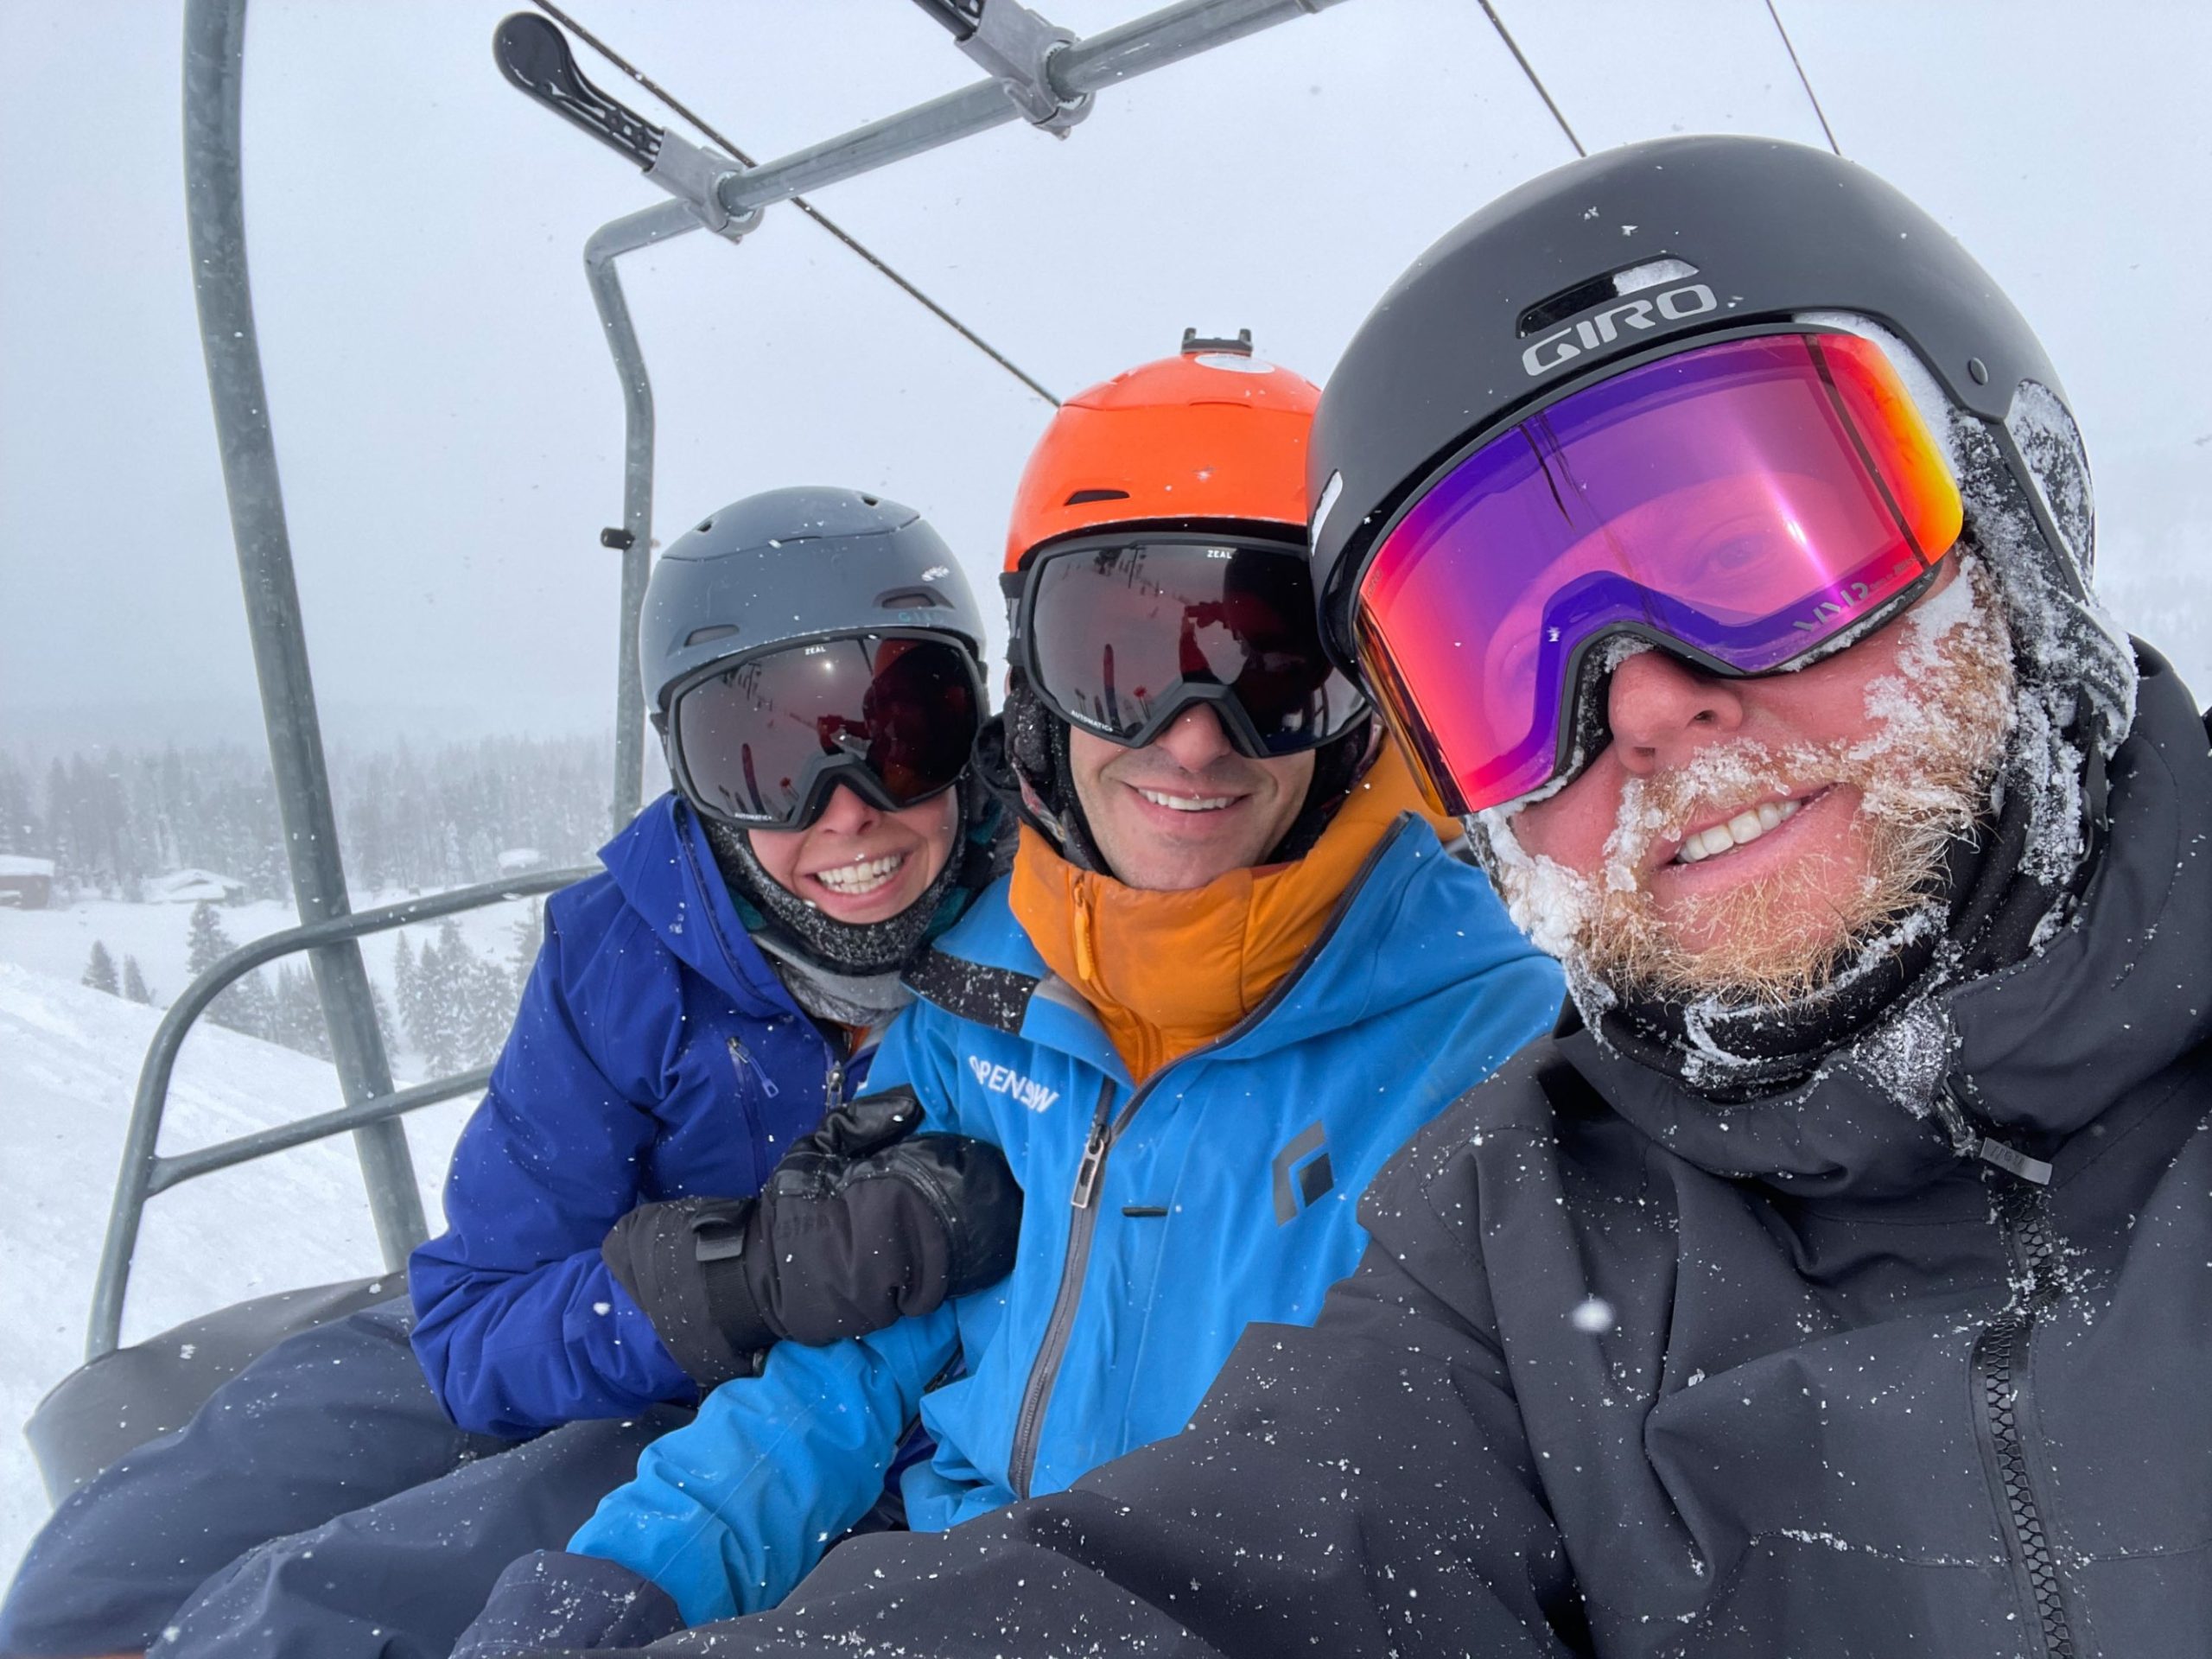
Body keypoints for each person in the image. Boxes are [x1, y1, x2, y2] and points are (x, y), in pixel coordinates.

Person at [512, 137, 2212, 1659]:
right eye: (1517, 660)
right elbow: (1238, 1564)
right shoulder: (1524, 1205)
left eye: (1753, 559)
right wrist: (638, 1559)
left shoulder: (1489, 1079)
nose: (1642, 703)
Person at [450, 336, 1564, 1654]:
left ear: (1364, 693)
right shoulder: (983, 992)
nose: (1193, 737)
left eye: (1274, 674)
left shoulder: (1489, 1051)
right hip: (953, 1579)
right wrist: (622, 1582)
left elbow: (1438, 1520)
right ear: (1038, 686)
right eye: (1121, 661)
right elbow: (833, 1391)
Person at [0, 487, 1021, 1659]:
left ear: (973, 731)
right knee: (101, 1581)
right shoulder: (628, 954)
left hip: (781, 1419)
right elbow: (477, 1321)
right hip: (619, 1326)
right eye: (762, 761)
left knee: (317, 1614)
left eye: (901, 738)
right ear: (692, 776)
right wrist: (741, 1279)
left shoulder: (1047, 939)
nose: (845, 812)